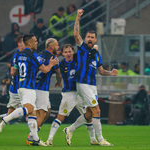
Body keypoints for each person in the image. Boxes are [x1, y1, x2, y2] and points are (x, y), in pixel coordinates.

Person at [64, 9, 118, 146]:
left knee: (88, 114)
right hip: (82, 83)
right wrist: (77, 17)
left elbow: (100, 71)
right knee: (97, 110)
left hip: (92, 85)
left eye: (92, 37)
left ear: (95, 40)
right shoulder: (82, 48)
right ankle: (100, 140)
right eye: (87, 36)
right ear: (85, 38)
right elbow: (76, 33)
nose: (89, 39)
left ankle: (69, 129)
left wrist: (110, 73)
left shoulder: (97, 54)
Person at [0, 34, 59, 146]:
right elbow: (45, 70)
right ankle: (6, 119)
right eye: (35, 41)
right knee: (28, 109)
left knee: (32, 114)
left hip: (20, 86)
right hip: (29, 87)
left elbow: (14, 71)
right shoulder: (32, 55)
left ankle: (35, 139)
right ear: (29, 43)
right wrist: (51, 64)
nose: (37, 43)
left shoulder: (19, 54)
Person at [46, 44, 98, 146]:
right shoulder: (61, 64)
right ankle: (49, 139)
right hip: (69, 93)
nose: (68, 54)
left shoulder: (78, 60)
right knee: (61, 117)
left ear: (73, 52)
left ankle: (93, 139)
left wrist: (94, 48)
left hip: (81, 93)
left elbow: (86, 52)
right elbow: (56, 72)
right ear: (63, 54)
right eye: (65, 52)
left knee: (89, 115)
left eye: (70, 51)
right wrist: (58, 80)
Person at [26, 38, 62, 145]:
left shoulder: (39, 55)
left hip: (33, 87)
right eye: (57, 45)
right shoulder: (53, 58)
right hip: (42, 89)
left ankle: (35, 132)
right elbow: (58, 73)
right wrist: (59, 81)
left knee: (48, 112)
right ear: (51, 47)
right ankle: (32, 137)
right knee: (42, 113)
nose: (58, 47)